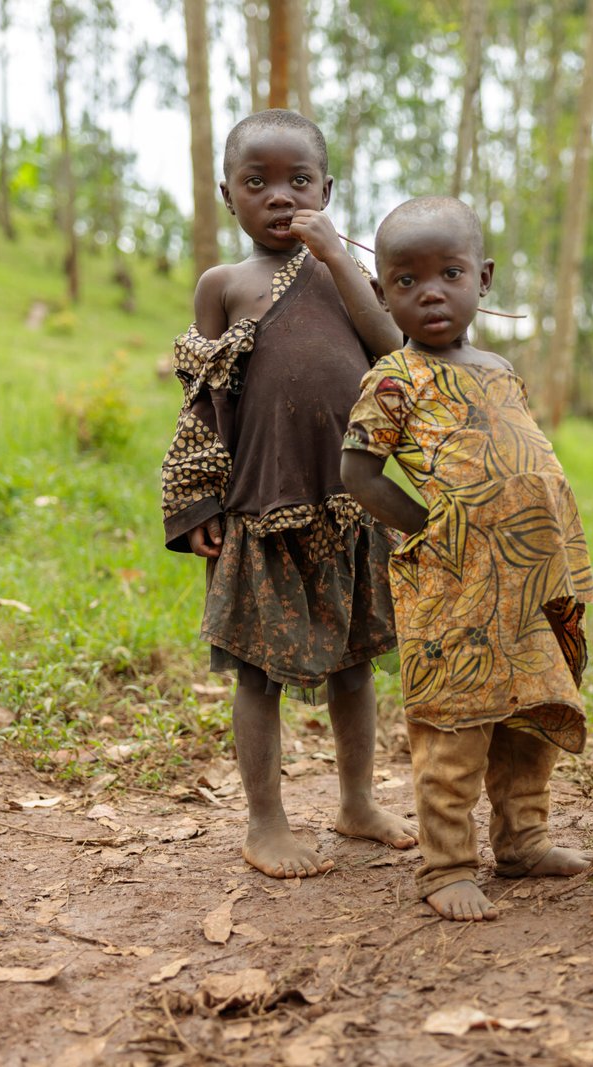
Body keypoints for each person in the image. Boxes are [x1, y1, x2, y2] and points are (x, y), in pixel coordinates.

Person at [160, 109, 416, 879]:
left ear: (328, 190)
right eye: (257, 181)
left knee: (356, 661)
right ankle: (265, 819)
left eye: (298, 180)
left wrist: (339, 259)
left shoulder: (346, 277)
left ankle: (357, 800)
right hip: (258, 505)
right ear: (227, 194)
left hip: (349, 501)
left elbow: (392, 347)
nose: (279, 195)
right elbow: (202, 401)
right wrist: (196, 502)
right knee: (256, 670)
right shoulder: (224, 286)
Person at [341, 196, 593, 922]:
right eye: (405, 280)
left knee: (528, 723)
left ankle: (524, 840)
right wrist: (431, 530)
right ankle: (447, 864)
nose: (430, 291)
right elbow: (358, 475)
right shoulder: (394, 377)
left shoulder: (500, 368)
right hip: (453, 588)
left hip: (529, 587)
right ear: (384, 292)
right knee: (454, 728)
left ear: (481, 278)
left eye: (448, 272)